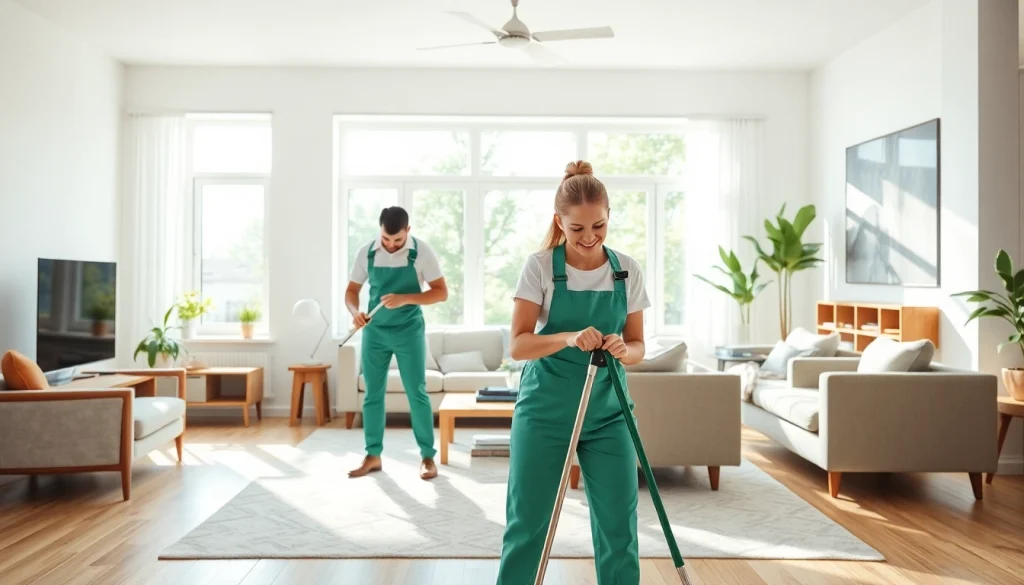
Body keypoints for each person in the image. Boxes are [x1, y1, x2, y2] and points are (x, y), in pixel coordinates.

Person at [496, 160, 649, 584]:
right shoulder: (541, 266)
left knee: (619, 527)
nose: (588, 237)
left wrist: (623, 348)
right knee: (528, 524)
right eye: (577, 228)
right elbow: (520, 344)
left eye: (598, 226)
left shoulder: (627, 270)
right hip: (545, 408)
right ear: (559, 222)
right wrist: (565, 337)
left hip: (609, 409)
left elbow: (638, 346)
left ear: (608, 216)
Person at [345, 206, 448, 480]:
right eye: (386, 239)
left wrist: (406, 298)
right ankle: (373, 455)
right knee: (373, 393)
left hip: (408, 330)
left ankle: (427, 457)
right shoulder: (367, 252)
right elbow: (351, 292)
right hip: (375, 332)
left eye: (397, 240)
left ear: (408, 231)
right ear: (380, 231)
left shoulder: (421, 252)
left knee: (417, 392)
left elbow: (441, 293)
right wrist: (356, 313)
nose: (391, 245)